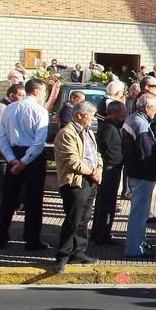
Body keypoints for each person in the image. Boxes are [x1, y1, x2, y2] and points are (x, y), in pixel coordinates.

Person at [0, 78, 51, 250]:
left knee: (9, 198)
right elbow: (39, 141)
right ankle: (32, 239)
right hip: (32, 157)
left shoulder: (10, 108)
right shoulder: (39, 110)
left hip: (14, 154)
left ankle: (0, 235)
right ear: (37, 91)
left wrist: (12, 160)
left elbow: (1, 137)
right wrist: (24, 162)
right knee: (33, 200)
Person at [52, 101, 102, 273]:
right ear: (80, 115)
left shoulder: (88, 132)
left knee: (84, 219)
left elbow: (95, 154)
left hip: (89, 180)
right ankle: (62, 256)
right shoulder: (67, 133)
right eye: (91, 115)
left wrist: (99, 169)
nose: (93, 119)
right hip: (75, 182)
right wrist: (91, 172)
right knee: (73, 219)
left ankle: (78, 251)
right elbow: (72, 161)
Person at [122, 94, 156, 259]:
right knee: (139, 214)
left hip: (135, 172)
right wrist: (153, 172)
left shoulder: (133, 119)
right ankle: (134, 249)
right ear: (147, 107)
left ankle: (139, 243)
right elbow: (146, 152)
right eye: (155, 108)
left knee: (138, 212)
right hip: (142, 175)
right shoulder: (140, 124)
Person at [91, 101, 127, 245]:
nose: (124, 116)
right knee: (106, 203)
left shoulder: (114, 126)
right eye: (121, 113)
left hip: (113, 168)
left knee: (106, 202)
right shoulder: (108, 128)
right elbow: (109, 151)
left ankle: (100, 232)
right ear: (112, 113)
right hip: (110, 169)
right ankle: (102, 235)